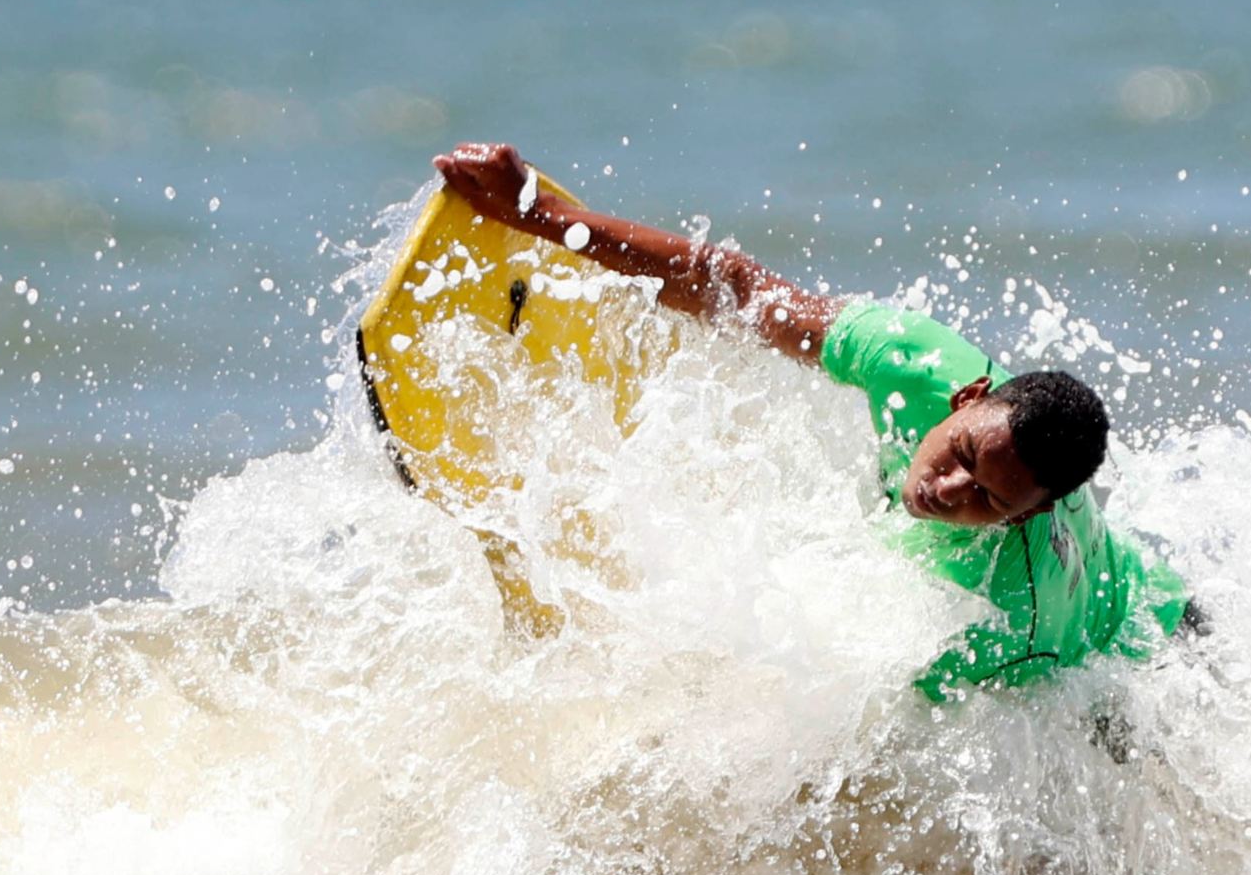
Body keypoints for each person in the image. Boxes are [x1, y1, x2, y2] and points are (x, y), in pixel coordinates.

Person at [433, 142, 1197, 701]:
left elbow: (897, 731)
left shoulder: (1011, 615)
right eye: (962, 454)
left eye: (988, 501)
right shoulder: (919, 363)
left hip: (1137, 655)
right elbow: (731, 286)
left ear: (1027, 517)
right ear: (967, 400)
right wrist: (539, 212)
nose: (947, 489)